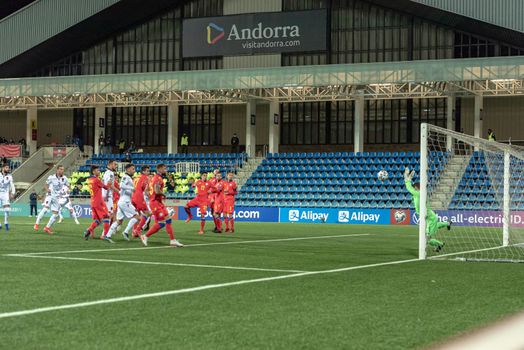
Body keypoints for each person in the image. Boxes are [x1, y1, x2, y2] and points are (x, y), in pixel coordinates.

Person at [404, 167, 451, 252]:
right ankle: (447, 223)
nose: (413, 189)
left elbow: (409, 188)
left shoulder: (418, 193)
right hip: (430, 217)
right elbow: (412, 195)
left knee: (426, 238)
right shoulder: (418, 194)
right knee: (435, 226)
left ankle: (439, 244)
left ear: (417, 188)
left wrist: (407, 178)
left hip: (429, 219)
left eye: (414, 188)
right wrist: (409, 177)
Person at [139, 164, 183, 247]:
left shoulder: (155, 178)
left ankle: (172, 240)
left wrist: (152, 196)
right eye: (164, 168)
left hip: (158, 202)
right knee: (162, 223)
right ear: (159, 169)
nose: (165, 170)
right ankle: (145, 236)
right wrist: (163, 194)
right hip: (155, 203)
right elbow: (156, 190)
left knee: (168, 219)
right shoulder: (157, 178)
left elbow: (147, 191)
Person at [104, 164, 141, 243]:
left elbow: (121, 191)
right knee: (137, 217)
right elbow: (121, 185)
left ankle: (107, 235)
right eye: (133, 169)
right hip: (125, 202)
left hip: (122, 201)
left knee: (119, 221)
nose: (134, 170)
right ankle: (126, 232)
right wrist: (132, 188)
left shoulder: (128, 178)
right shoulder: (125, 177)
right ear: (128, 170)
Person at [83, 165, 111, 240]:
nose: (99, 171)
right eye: (98, 170)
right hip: (99, 201)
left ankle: (88, 230)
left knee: (98, 220)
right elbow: (106, 187)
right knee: (106, 217)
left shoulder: (90, 180)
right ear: (94, 171)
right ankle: (105, 235)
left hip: (93, 201)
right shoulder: (96, 180)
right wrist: (109, 183)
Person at [39, 165, 69, 235]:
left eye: (63, 169)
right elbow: (46, 184)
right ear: (57, 170)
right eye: (61, 169)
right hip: (51, 196)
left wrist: (68, 190)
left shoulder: (64, 178)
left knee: (56, 214)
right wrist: (47, 189)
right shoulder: (51, 177)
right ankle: (44, 226)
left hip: (58, 197)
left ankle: (47, 227)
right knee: (49, 211)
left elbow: (68, 185)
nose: (62, 171)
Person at [132, 165, 152, 237]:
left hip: (133, 196)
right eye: (147, 171)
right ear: (143, 171)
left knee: (137, 215)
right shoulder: (145, 178)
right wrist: (151, 197)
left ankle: (134, 231)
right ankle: (138, 229)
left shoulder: (136, 177)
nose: (148, 172)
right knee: (148, 213)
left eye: (148, 171)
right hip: (139, 197)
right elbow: (146, 190)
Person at [101, 160, 119, 238]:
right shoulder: (110, 173)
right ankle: (104, 234)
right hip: (108, 196)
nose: (116, 166)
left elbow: (102, 182)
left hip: (105, 195)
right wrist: (118, 192)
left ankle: (103, 232)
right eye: (115, 164)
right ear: (110, 164)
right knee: (109, 215)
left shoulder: (106, 173)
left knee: (108, 215)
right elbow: (110, 185)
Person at [0, 163, 15, 231]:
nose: (8, 169)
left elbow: (12, 185)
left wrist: (12, 193)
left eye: (8, 167)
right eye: (6, 167)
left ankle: (6, 222)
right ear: (3, 168)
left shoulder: (9, 176)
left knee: (7, 209)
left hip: (5, 194)